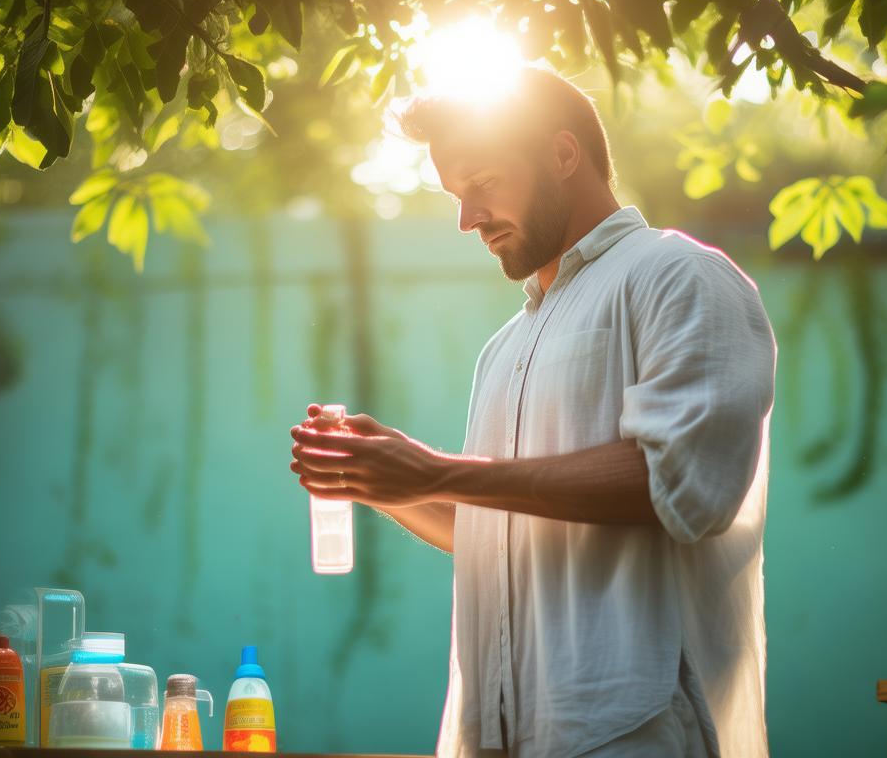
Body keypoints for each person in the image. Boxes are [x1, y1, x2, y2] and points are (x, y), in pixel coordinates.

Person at [289, 65, 776, 757]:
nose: (467, 219)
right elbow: (496, 528)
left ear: (563, 154)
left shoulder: (679, 275)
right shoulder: (505, 346)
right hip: (505, 736)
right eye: (456, 195)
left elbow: (680, 485)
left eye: (482, 183)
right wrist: (384, 483)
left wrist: (436, 471)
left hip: (636, 734)